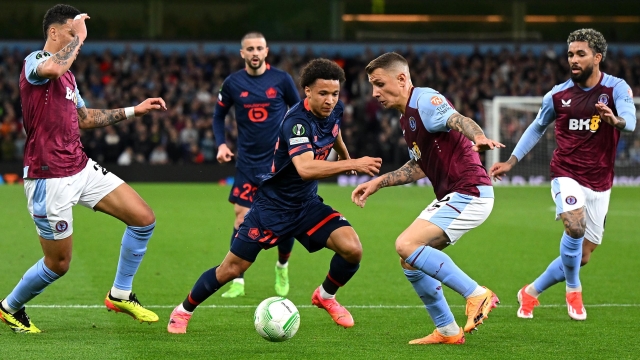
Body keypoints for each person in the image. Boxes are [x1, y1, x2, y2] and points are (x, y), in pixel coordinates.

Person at [167, 59, 382, 334]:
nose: (330, 100)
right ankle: (182, 311)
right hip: (273, 208)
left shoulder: (335, 110)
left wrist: (344, 154)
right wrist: (353, 164)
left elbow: (334, 130)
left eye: (335, 94)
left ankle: (325, 296)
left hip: (306, 205)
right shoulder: (296, 123)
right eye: (323, 94)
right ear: (307, 91)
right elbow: (305, 168)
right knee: (231, 269)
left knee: (352, 249)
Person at [0, 4, 167, 334]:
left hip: (80, 166)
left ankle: (119, 294)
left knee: (144, 218)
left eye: (77, 37)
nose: (78, 41)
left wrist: (135, 110)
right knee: (59, 264)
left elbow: (85, 118)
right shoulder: (34, 63)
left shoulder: (69, 76)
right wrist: (80, 37)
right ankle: (9, 307)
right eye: (71, 34)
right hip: (49, 178)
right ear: (54, 33)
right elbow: (49, 68)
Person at [352, 52, 502, 345]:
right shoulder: (405, 118)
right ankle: (447, 330)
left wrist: (479, 137)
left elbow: (458, 120)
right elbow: (418, 166)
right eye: (372, 86)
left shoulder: (425, 101)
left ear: (402, 78)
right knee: (409, 260)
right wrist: (379, 183)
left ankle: (477, 294)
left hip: (469, 190)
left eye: (379, 84)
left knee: (406, 244)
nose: (374, 93)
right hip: (455, 194)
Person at [490, 28, 636, 321]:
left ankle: (530, 291)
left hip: (600, 182)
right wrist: (511, 161)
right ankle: (574, 289)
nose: (573, 59)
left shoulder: (617, 88)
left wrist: (614, 120)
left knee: (583, 255)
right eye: (570, 54)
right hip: (565, 172)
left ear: (597, 57)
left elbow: (630, 122)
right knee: (574, 226)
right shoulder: (557, 95)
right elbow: (536, 127)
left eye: (580, 54)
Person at [213, 32, 301, 298]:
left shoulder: (282, 79)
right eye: (249, 49)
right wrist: (221, 143)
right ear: (242, 53)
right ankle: (237, 279)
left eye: (259, 48)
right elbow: (219, 116)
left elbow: (299, 111)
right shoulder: (232, 83)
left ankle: (282, 265)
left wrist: (300, 147)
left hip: (279, 164)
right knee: (241, 219)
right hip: (247, 163)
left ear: (266, 51)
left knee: (285, 222)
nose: (254, 53)